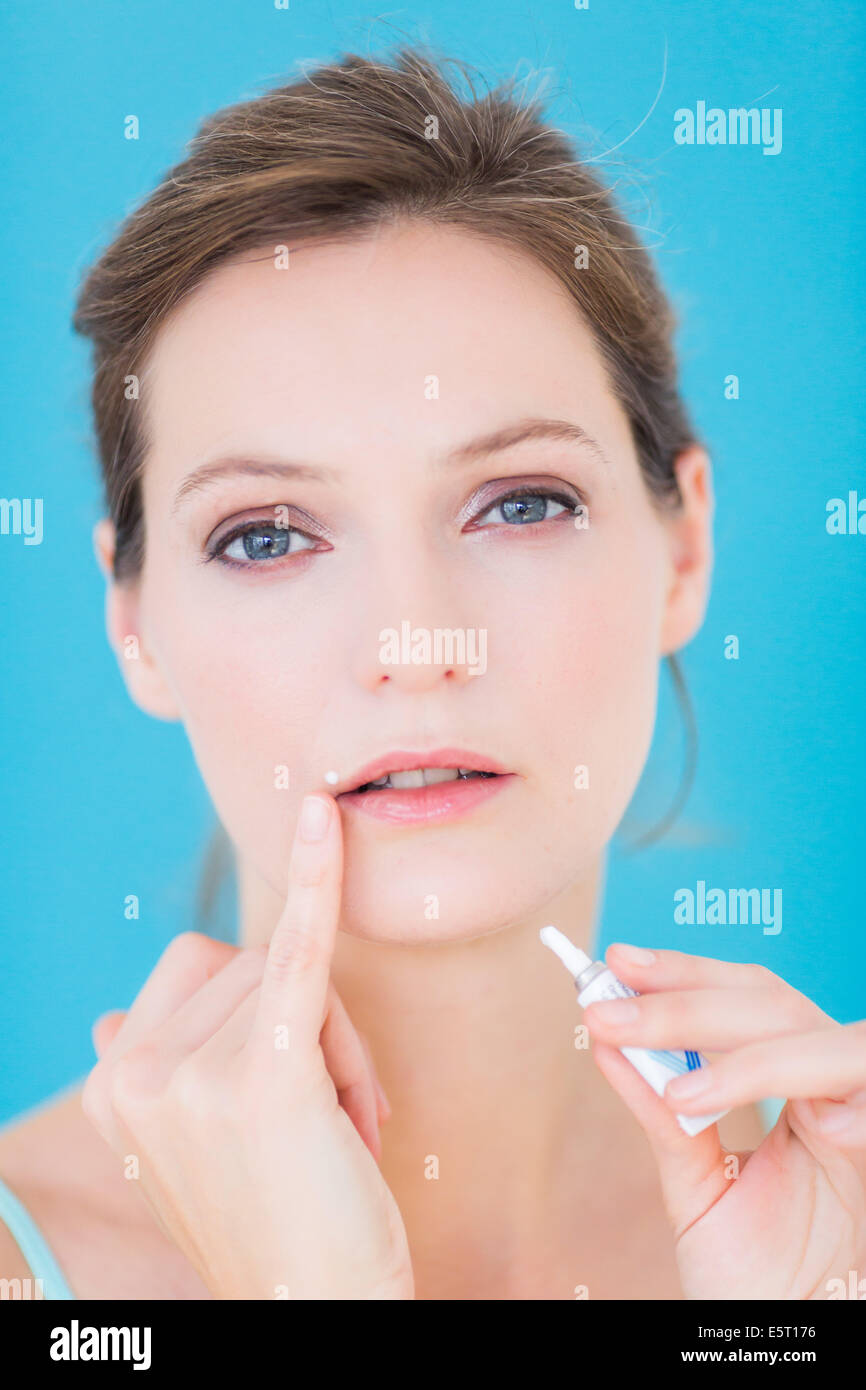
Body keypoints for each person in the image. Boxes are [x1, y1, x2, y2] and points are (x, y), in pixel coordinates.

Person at [2, 45, 864, 1302]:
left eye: (518, 504)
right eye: (266, 534)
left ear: (682, 547)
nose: (414, 644)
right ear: (135, 624)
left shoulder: (825, 1242)